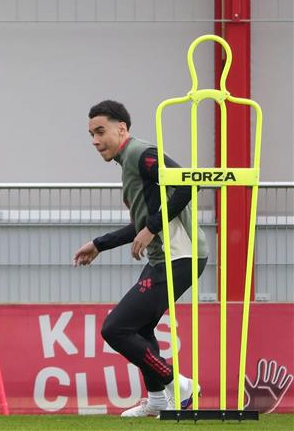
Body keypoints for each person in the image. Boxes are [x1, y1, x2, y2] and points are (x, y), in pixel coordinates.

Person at [73, 100, 209, 417]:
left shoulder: (140, 153)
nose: (94, 141)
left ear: (122, 129)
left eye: (100, 131)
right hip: (165, 258)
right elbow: (143, 223)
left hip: (181, 256)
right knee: (142, 331)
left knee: (116, 329)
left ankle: (181, 385)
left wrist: (152, 226)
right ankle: (159, 402)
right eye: (91, 134)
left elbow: (190, 182)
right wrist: (100, 243)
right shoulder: (128, 161)